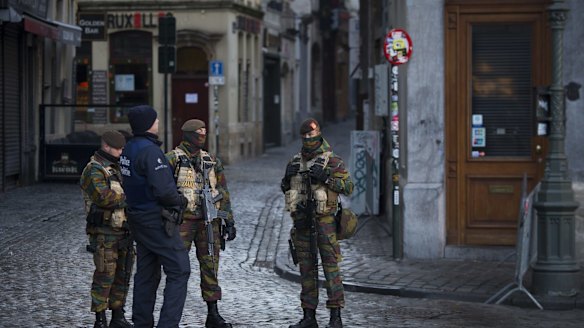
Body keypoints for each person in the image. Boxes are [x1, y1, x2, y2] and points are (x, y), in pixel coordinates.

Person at [120, 105, 190, 328]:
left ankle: (142, 323)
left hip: (137, 217)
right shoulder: (149, 151)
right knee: (180, 270)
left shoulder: (129, 147)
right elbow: (164, 191)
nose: (158, 123)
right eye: (156, 120)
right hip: (154, 218)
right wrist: (181, 201)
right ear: (148, 124)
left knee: (147, 272)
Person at [281, 118, 354, 328]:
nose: (308, 140)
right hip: (302, 224)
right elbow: (287, 189)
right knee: (306, 270)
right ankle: (308, 316)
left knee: (331, 270)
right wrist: (286, 180)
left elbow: (348, 187)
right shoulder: (295, 161)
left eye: (311, 136)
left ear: (319, 135)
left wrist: (328, 178)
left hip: (325, 223)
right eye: (304, 137)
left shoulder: (332, 160)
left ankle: (335, 317)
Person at [165, 119, 236, 328]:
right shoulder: (172, 159)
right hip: (182, 222)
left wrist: (228, 220)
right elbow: (161, 191)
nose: (202, 136)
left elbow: (222, 192)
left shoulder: (211, 160)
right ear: (188, 135)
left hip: (209, 223)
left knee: (211, 267)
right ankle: (171, 316)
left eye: (204, 132)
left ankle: (213, 314)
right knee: (177, 268)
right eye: (198, 133)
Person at [80, 130, 134, 328]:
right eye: (118, 149)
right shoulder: (94, 169)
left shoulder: (118, 168)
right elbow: (103, 197)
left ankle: (118, 316)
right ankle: (100, 318)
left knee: (123, 274)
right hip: (104, 233)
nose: (121, 152)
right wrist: (132, 198)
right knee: (105, 275)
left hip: (124, 230)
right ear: (106, 146)